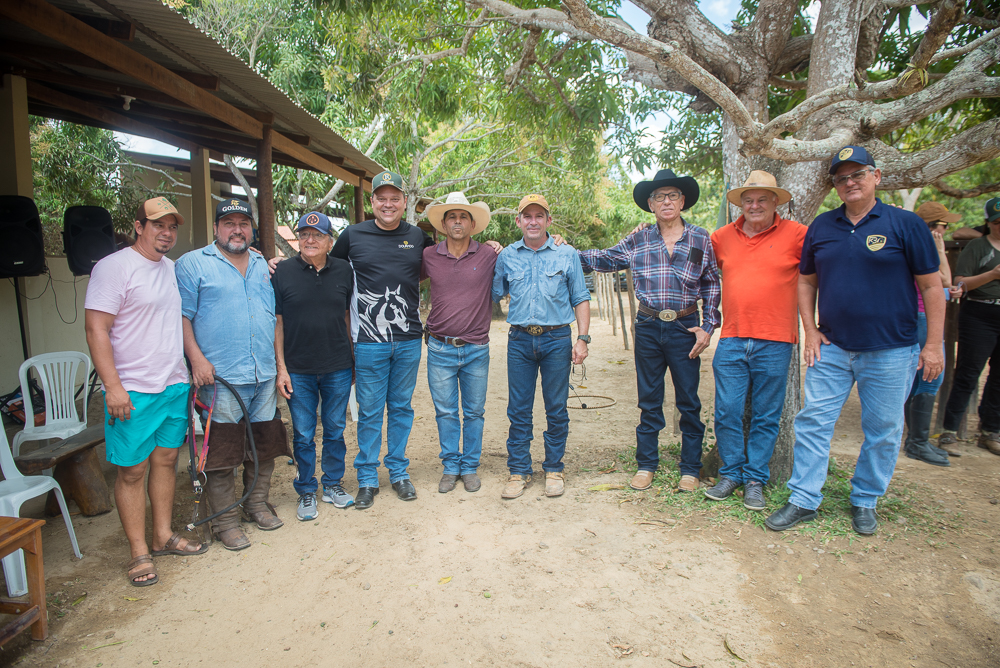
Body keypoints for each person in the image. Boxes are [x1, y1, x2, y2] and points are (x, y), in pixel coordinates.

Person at [765, 146, 945, 536]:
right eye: (841, 178)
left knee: (883, 428)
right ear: (835, 186)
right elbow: (807, 281)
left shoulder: (905, 224)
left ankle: (865, 499)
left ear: (876, 176)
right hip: (832, 348)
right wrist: (810, 330)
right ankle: (803, 499)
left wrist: (933, 345)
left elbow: (932, 286)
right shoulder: (823, 227)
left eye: (857, 174)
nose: (849, 183)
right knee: (812, 422)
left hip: (893, 350)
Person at [84, 197, 207, 587]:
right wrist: (113, 387)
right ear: (139, 227)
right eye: (157, 225)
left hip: (172, 383)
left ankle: (163, 535)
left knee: (167, 461)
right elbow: (96, 329)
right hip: (132, 390)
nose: (166, 233)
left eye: (171, 226)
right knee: (132, 471)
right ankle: (139, 551)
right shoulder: (113, 268)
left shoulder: (172, 269)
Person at [579, 169, 720, 494]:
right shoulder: (639, 239)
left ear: (682, 201)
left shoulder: (700, 238)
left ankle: (690, 468)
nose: (666, 201)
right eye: (659, 197)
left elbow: (711, 282)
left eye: (672, 195)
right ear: (650, 204)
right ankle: (647, 464)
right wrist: (561, 250)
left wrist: (709, 327)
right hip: (648, 326)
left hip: (686, 326)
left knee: (689, 400)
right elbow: (604, 258)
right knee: (649, 399)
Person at [175, 199, 290, 550]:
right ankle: (225, 521)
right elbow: (180, 317)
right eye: (228, 223)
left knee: (264, 444)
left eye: (243, 223)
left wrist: (280, 366)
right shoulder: (193, 264)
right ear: (215, 228)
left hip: (263, 374)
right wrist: (196, 359)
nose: (236, 229)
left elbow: (275, 321)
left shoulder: (263, 265)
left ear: (252, 229)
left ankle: (255, 504)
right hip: (219, 377)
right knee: (222, 450)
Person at [701, 171, 806, 510]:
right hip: (731, 338)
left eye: (762, 199)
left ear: (776, 202)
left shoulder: (798, 235)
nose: (755, 205)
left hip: (776, 340)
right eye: (748, 200)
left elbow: (824, 270)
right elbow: (693, 261)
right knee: (727, 410)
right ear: (740, 204)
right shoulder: (721, 238)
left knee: (765, 415)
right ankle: (731, 473)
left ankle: (756, 480)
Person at [493, 193, 590, 499]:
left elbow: (580, 297)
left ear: (549, 221)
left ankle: (554, 468)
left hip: (557, 339)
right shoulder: (507, 256)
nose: (533, 221)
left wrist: (582, 339)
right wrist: (486, 251)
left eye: (539, 216)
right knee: (518, 409)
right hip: (519, 340)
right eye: (527, 216)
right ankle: (519, 470)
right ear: (519, 221)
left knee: (557, 408)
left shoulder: (566, 254)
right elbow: (493, 291)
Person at [271, 212, 356, 521]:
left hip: (337, 366)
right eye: (304, 234)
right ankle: (306, 490)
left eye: (317, 235)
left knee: (335, 429)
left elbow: (348, 316)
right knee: (304, 434)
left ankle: (332, 484)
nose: (310, 240)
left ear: (329, 241)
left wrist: (353, 358)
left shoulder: (344, 271)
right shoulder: (282, 271)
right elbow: (278, 324)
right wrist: (281, 368)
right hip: (298, 369)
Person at [421, 193, 496, 494]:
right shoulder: (428, 256)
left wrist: (554, 239)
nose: (457, 221)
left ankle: (470, 467)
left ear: (472, 223)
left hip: (476, 347)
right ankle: (451, 466)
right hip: (439, 348)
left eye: (463, 216)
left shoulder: (488, 254)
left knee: (475, 411)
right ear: (443, 224)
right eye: (452, 216)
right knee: (446, 412)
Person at [938, 197, 1000, 457]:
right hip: (979, 310)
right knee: (968, 372)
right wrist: (993, 275)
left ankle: (990, 431)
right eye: (997, 222)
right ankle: (949, 431)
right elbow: (960, 285)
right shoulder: (977, 246)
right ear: (988, 223)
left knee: (997, 376)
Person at [903, 202, 957, 466]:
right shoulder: (925, 245)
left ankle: (917, 439)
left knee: (918, 377)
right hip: (923, 316)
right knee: (930, 377)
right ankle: (917, 442)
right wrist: (941, 251)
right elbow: (944, 279)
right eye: (944, 225)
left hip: (922, 315)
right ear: (933, 228)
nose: (946, 229)